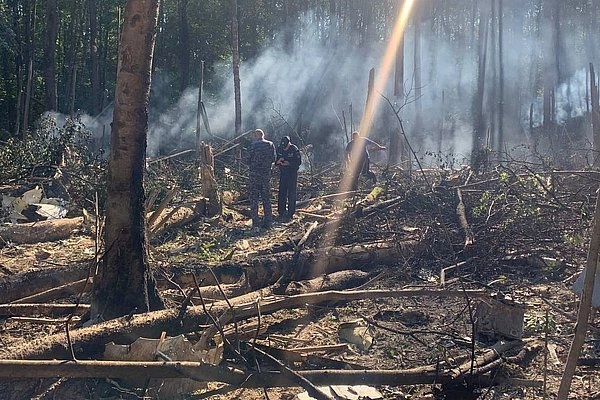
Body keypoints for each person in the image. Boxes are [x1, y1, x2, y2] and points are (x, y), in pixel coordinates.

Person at [247, 128, 277, 229]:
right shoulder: (270, 145)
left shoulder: (252, 146)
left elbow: (247, 160)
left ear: (256, 136)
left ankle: (255, 223)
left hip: (254, 176)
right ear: (263, 135)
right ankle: (268, 222)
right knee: (266, 199)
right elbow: (274, 159)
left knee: (254, 199)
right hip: (265, 176)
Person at [275, 136, 302, 221]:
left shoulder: (294, 149)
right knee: (282, 192)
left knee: (291, 193)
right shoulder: (279, 149)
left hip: (292, 174)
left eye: (285, 146)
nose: (284, 148)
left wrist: (289, 163)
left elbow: (298, 162)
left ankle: (290, 213)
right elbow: (274, 160)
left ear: (289, 143)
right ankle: (281, 212)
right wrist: (278, 162)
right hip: (283, 173)